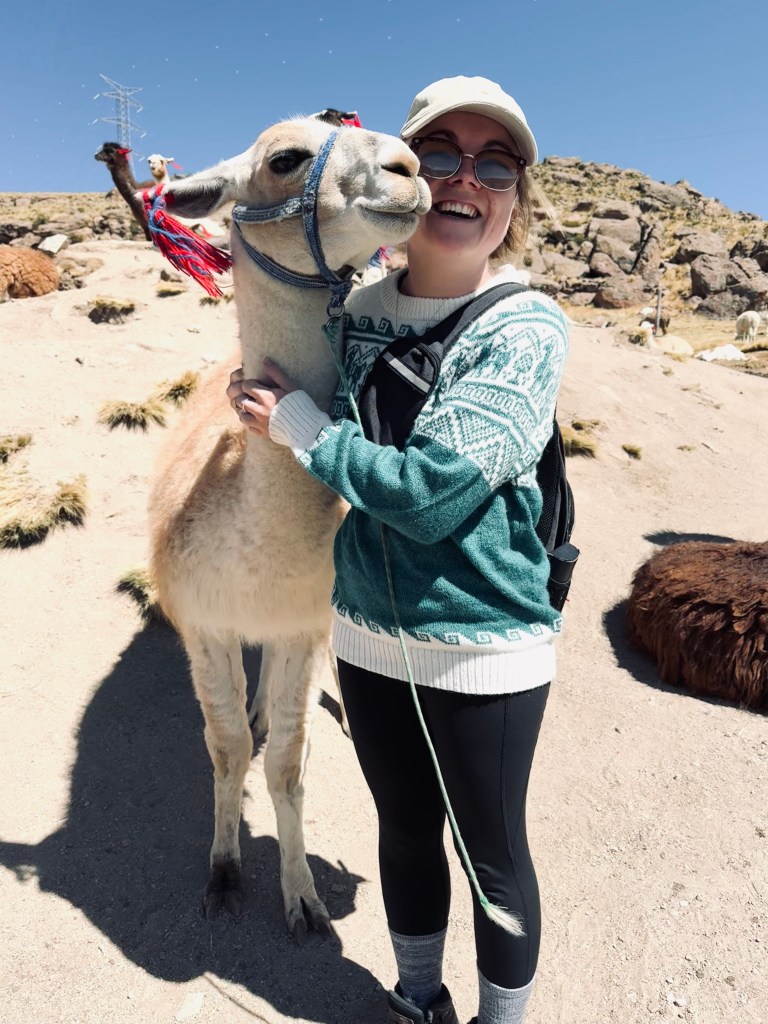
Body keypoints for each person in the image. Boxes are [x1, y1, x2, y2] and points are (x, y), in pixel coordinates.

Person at [227, 76, 569, 1024]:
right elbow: (306, 391)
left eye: (494, 164)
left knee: (491, 862)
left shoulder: (524, 328)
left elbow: (430, 497)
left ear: (513, 199)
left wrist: (298, 425)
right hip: (367, 635)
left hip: (481, 644)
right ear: (409, 175)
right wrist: (265, 393)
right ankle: (420, 1001)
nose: (465, 177)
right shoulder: (358, 308)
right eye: (442, 154)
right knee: (407, 835)